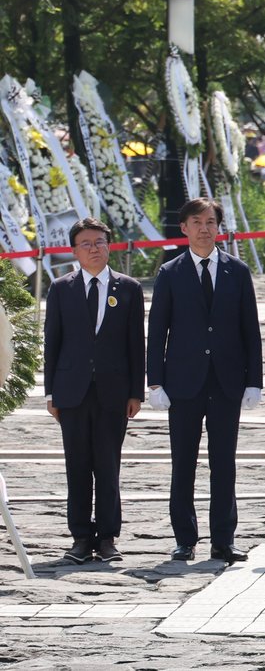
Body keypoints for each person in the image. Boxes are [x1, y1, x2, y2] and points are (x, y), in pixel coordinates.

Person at [147, 198, 263, 562]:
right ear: (184, 228)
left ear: (219, 227)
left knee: (223, 462)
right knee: (183, 462)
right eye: (196, 222)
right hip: (183, 382)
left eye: (210, 222)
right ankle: (185, 538)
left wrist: (254, 380)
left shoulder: (237, 271)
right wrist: (155, 382)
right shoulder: (170, 272)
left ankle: (223, 539)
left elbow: (250, 329)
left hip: (226, 381)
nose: (204, 228)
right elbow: (158, 330)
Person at [45, 218, 144, 564]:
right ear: (74, 251)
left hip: (113, 392)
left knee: (108, 465)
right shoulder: (61, 288)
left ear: (109, 246)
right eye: (86, 244)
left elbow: (136, 344)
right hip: (71, 391)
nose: (94, 249)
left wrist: (135, 392)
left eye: (99, 242)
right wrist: (50, 393)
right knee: (77, 466)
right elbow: (52, 342)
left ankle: (107, 537)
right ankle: (80, 537)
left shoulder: (128, 288)